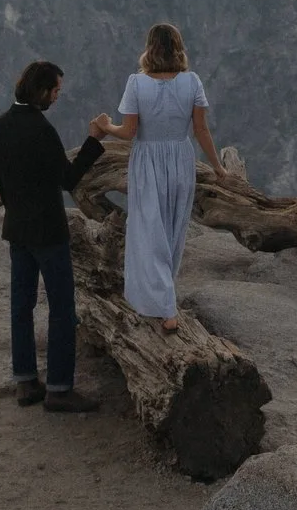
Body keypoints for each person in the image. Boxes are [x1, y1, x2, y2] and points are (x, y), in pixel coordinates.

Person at [0, 59, 106, 412]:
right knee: (62, 308)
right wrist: (93, 141)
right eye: (55, 90)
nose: (57, 97)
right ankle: (59, 388)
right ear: (41, 91)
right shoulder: (41, 130)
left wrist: (15, 215)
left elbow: (1, 181)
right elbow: (68, 180)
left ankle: (25, 381)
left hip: (17, 228)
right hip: (48, 232)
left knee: (21, 306)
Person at [95, 22, 225, 333]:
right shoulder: (192, 82)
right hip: (181, 159)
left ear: (149, 48)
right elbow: (201, 130)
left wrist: (105, 126)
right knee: (171, 231)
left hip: (148, 159)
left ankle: (164, 308)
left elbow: (128, 133)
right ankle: (164, 300)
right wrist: (218, 168)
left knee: (147, 229)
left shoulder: (137, 84)